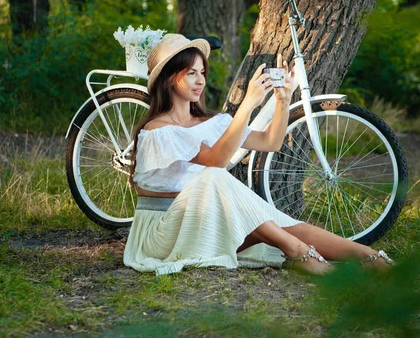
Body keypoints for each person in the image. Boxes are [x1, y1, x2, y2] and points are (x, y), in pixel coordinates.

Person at [123, 34, 394, 276]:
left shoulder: (209, 122)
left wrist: (283, 101)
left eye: (202, 72)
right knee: (214, 177)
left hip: (202, 224)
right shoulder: (158, 130)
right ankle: (298, 252)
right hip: (162, 235)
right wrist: (249, 103)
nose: (200, 80)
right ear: (170, 77)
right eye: (191, 73)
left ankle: (367, 256)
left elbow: (270, 141)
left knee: (281, 222)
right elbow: (216, 161)